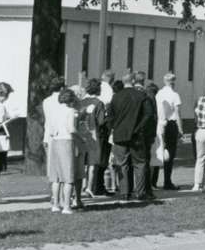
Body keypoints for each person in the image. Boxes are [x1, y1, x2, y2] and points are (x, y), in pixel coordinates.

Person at [106, 72, 155, 200]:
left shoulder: (115, 97)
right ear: (133, 81)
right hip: (136, 134)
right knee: (139, 163)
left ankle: (124, 192)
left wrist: (114, 127)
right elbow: (149, 114)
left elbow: (109, 116)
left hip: (120, 134)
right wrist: (139, 128)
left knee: (122, 164)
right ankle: (140, 192)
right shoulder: (141, 96)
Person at [47, 88, 80, 213]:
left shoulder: (54, 111)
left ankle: (55, 204)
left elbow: (51, 130)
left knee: (56, 177)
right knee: (68, 176)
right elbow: (71, 128)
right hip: (66, 142)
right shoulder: (71, 111)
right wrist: (81, 139)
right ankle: (66, 206)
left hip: (55, 141)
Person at [77, 79, 106, 198]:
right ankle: (89, 187)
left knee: (82, 162)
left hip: (81, 134)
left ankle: (82, 185)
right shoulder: (99, 103)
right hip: (93, 134)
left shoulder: (81, 102)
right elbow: (101, 121)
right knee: (92, 164)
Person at [155, 72, 182, 190]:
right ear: (173, 82)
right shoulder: (175, 95)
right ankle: (167, 181)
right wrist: (180, 129)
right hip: (171, 124)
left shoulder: (159, 93)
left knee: (158, 151)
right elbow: (177, 113)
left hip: (159, 123)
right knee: (170, 153)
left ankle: (153, 180)